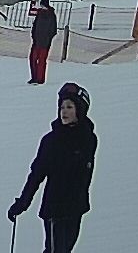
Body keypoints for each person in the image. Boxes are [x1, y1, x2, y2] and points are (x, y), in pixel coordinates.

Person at [9, 82, 97, 253]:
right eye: (62, 107)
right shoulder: (51, 141)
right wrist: (22, 204)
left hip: (76, 207)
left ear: (80, 110)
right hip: (55, 209)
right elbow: (36, 175)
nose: (64, 111)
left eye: (69, 107)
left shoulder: (89, 138)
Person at [29, 0, 59, 84]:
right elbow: (35, 26)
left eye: (43, 5)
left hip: (45, 43)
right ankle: (34, 77)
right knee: (32, 59)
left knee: (41, 61)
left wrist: (48, 38)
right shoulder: (39, 14)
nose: (42, 7)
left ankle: (40, 79)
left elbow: (53, 30)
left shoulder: (51, 15)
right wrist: (33, 35)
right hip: (36, 41)